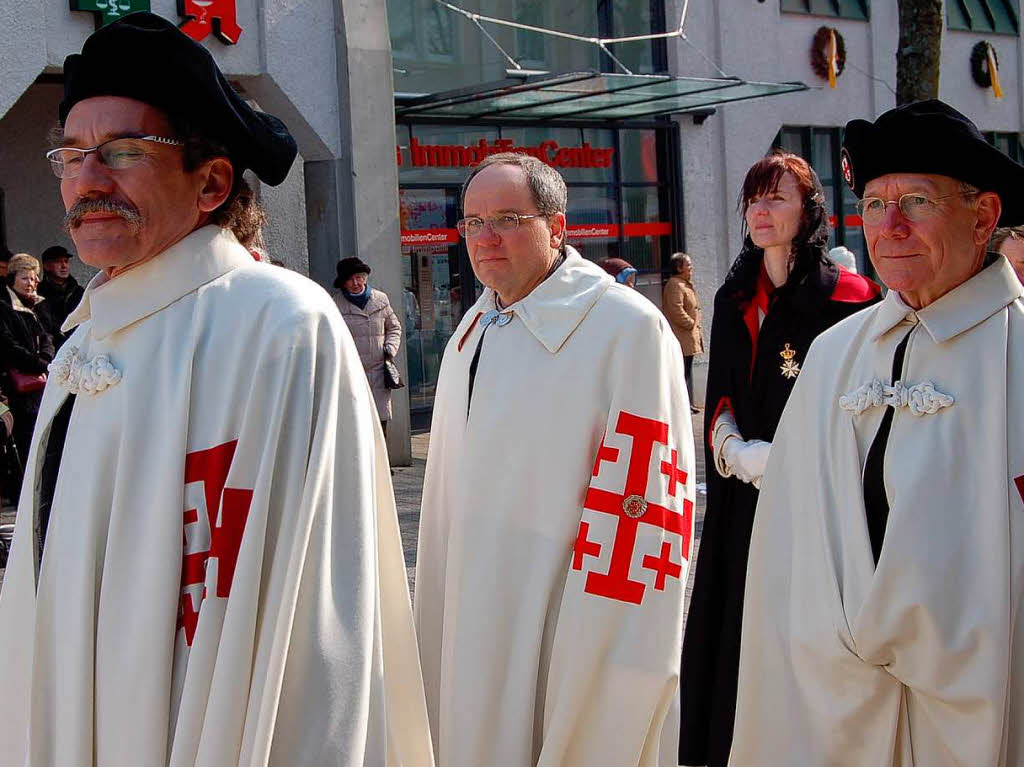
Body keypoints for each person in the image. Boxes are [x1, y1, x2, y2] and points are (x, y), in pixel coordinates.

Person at [0, 14, 432, 767]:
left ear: (212, 182)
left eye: (123, 151)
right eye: (71, 154)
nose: (88, 178)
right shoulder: (87, 338)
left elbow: (313, 640)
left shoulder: (277, 328)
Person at [731, 99, 1024, 765]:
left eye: (916, 202)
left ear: (983, 216)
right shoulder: (836, 355)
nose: (888, 226)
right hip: (830, 705)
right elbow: (789, 548)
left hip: (981, 710)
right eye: (872, 205)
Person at [415, 152, 695, 767]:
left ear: (558, 227)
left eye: (508, 218)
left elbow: (647, 512)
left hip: (567, 610)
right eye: (472, 222)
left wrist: (606, 654)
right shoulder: (472, 329)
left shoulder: (625, 330)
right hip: (473, 606)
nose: (486, 238)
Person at [678, 151, 880, 767]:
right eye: (754, 199)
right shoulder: (731, 293)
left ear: (808, 210)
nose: (761, 212)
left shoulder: (851, 296)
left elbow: (857, 401)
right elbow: (723, 393)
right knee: (735, 618)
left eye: (777, 199)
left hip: (814, 495)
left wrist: (788, 459)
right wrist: (730, 446)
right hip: (743, 496)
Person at [332, 256, 402, 435]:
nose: (356, 283)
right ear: (343, 283)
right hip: (351, 372)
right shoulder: (335, 304)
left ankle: (382, 463)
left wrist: (389, 349)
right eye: (350, 279)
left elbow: (394, 328)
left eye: (359, 277)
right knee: (355, 427)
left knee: (379, 426)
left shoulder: (380, 299)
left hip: (379, 371)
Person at [0, 253, 58, 460]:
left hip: (40, 383)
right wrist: (38, 364)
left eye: (34, 278)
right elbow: (8, 346)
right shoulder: (4, 307)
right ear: (12, 279)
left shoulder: (37, 305)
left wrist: (46, 359)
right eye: (25, 278)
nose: (31, 283)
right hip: (15, 387)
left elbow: (47, 336)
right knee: (26, 444)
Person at [662, 252, 703, 413]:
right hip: (682, 337)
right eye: (688, 265)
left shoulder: (683, 284)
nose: (691, 268)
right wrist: (691, 323)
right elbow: (676, 309)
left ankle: (685, 404)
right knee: (681, 373)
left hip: (687, 337)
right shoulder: (675, 285)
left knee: (685, 372)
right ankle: (680, 406)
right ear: (679, 268)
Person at [37, 244, 86, 344]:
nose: (64, 266)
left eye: (66, 261)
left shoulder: (78, 292)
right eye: (58, 262)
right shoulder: (38, 293)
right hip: (49, 347)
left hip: (76, 344)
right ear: (46, 266)